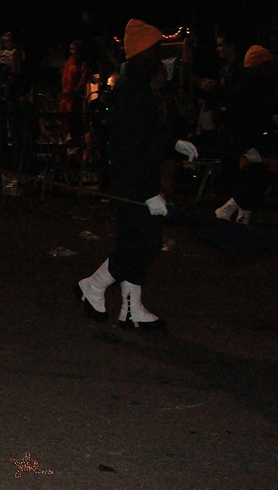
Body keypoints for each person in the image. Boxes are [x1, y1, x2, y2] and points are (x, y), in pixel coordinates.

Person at [76, 19, 198, 330]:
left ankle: (130, 308)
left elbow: (146, 135)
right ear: (142, 51)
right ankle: (95, 285)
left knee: (139, 240)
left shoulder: (137, 84)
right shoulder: (131, 89)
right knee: (142, 242)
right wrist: (147, 191)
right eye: (155, 49)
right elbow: (131, 146)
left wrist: (173, 144)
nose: (159, 55)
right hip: (134, 180)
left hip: (137, 177)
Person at [214, 45, 276, 225]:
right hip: (247, 141)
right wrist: (247, 146)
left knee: (253, 178)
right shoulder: (246, 86)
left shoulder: (253, 83)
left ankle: (242, 216)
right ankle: (227, 211)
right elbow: (240, 119)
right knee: (253, 179)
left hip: (253, 139)